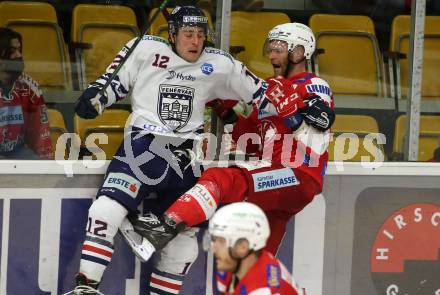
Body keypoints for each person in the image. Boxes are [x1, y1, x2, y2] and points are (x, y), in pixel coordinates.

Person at [72, 5, 269, 294]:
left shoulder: (220, 64)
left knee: (182, 244)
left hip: (186, 158)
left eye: (201, 35)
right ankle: (86, 288)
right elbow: (112, 83)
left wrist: (300, 106)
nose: (195, 41)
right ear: (173, 34)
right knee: (104, 212)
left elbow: (263, 94)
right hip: (142, 149)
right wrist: (96, 99)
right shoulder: (145, 49)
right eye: (188, 34)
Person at [125, 22, 334, 261]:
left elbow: (321, 122)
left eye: (279, 48)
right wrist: (225, 111)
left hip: (296, 174)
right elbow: (252, 142)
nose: (272, 55)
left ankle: (164, 228)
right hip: (279, 178)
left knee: (221, 178)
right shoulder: (271, 94)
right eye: (270, 48)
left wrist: (283, 101)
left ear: (299, 52)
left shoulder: (313, 84)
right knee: (254, 264)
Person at [207, 202, 301, 294]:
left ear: (243, 247)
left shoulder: (264, 290)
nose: (214, 248)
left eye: (221, 241)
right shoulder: (234, 263)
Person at [0, 27, 53, 160]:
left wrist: (47, 170)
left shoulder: (29, 87)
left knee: (37, 168)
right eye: (12, 51)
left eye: (19, 50)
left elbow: (41, 133)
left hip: (17, 153)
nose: (19, 55)